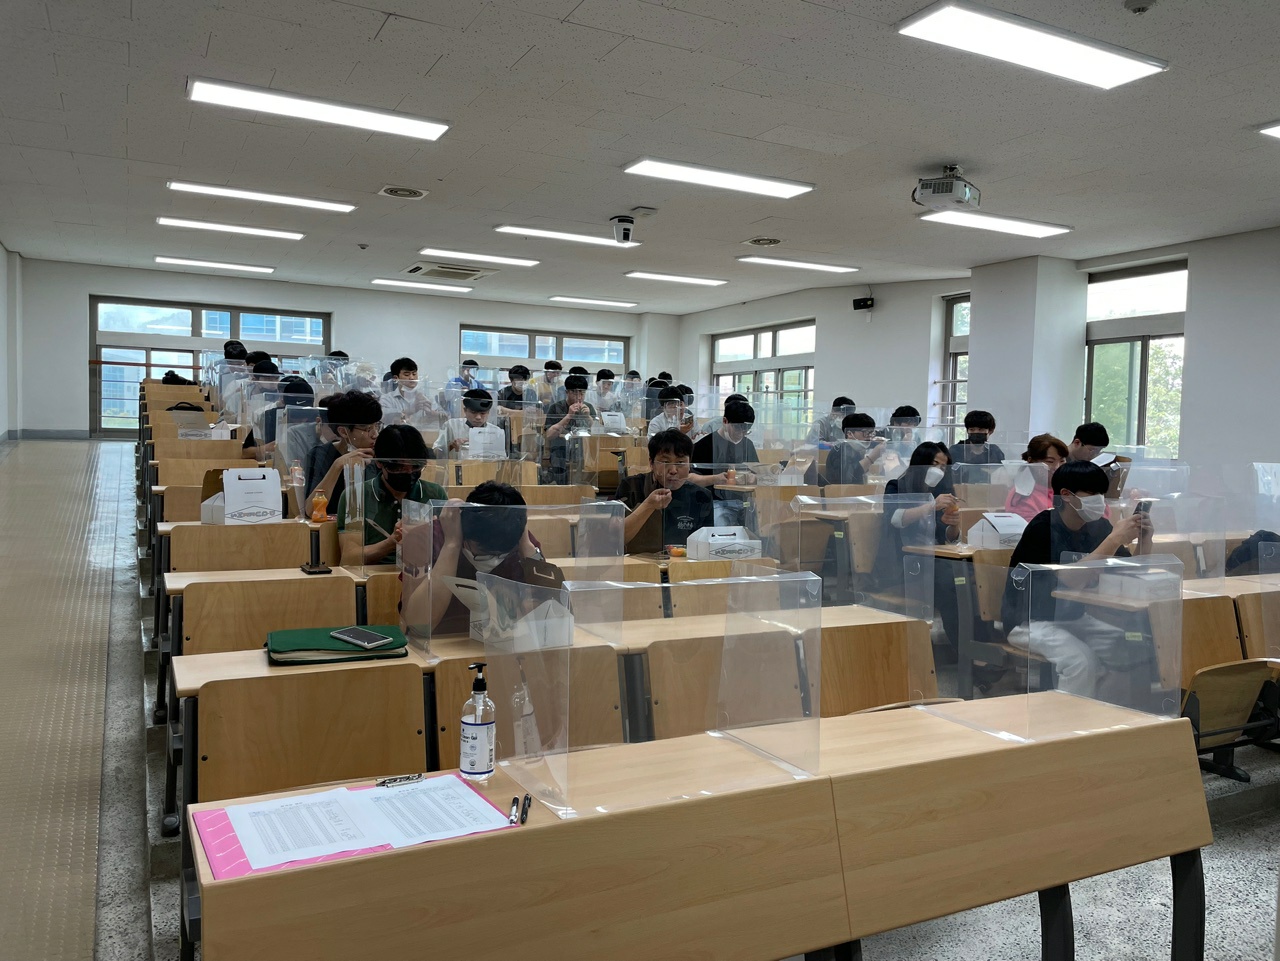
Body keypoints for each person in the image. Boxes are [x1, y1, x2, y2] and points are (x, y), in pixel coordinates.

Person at [1000, 460, 1154, 697]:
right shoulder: (1043, 528)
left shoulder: (1099, 527)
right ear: (1066, 495)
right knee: (1080, 661)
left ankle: (1112, 711)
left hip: (1073, 617)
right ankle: (1070, 719)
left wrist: (1145, 539)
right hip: (1029, 620)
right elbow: (1068, 580)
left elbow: (1130, 572)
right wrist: (1114, 539)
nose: (1099, 499)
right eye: (1091, 493)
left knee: (1130, 646)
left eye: (1101, 493)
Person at [423, 483, 556, 634]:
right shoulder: (432, 537)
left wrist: (526, 544)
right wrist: (452, 544)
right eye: (483, 552)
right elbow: (420, 624)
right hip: (445, 640)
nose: (494, 559)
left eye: (501, 554)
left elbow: (551, 617)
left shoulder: (516, 539)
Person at [873, 442, 962, 655]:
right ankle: (963, 651)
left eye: (943, 467)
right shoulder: (897, 486)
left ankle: (976, 645)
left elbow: (948, 539)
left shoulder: (941, 493)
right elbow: (896, 519)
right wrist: (931, 506)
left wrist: (954, 525)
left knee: (968, 583)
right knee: (950, 587)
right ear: (920, 463)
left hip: (934, 561)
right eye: (934, 464)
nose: (938, 470)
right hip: (904, 564)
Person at [336, 425, 447, 566]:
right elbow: (349, 558)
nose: (408, 473)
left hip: (422, 574)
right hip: (373, 576)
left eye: (415, 467)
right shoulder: (356, 496)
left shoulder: (434, 493)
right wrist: (392, 542)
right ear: (379, 463)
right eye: (399, 468)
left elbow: (446, 550)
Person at [614, 430, 714, 553]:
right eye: (665, 462)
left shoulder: (701, 496)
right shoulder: (631, 486)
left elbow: (706, 546)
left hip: (682, 563)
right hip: (638, 563)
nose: (673, 470)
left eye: (680, 462)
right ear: (651, 463)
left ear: (689, 464)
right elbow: (615, 539)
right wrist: (649, 505)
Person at [304, 388, 382, 512]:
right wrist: (337, 465)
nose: (375, 434)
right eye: (367, 429)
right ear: (343, 432)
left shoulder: (380, 455)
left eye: (377, 426)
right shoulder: (320, 455)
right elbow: (311, 511)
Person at [544, 374, 598, 482]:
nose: (579, 397)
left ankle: (584, 486)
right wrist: (568, 416)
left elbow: (597, 433)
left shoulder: (589, 407)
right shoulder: (555, 408)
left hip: (583, 449)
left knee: (590, 459)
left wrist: (588, 417)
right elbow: (549, 435)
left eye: (582, 393)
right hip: (561, 448)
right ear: (567, 392)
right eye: (575, 393)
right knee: (559, 459)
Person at [1004, 433, 1068, 521]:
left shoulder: (1062, 488)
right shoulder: (1023, 496)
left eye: (1062, 461)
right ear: (1032, 462)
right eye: (1050, 461)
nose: (1057, 467)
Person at [437, 388, 504, 457]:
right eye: (473, 412)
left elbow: (502, 458)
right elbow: (436, 452)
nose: (478, 417)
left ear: (488, 412)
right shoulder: (452, 425)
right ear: (465, 410)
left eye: (483, 413)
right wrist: (451, 446)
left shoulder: (496, 431)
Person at [824, 413, 887, 485]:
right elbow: (848, 481)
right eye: (866, 433)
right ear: (850, 434)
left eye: (871, 433)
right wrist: (872, 457)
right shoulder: (840, 452)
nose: (869, 438)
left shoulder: (856, 450)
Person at [691, 400, 757, 467]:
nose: (741, 434)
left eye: (745, 430)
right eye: (737, 428)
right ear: (725, 421)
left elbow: (755, 469)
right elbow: (694, 472)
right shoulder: (704, 445)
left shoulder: (748, 445)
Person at [948, 410, 1006, 482]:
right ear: (967, 431)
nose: (976, 432)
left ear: (990, 431)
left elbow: (1000, 477)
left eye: (980, 429)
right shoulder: (956, 451)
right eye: (972, 429)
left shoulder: (994, 452)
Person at [380, 357, 436, 425]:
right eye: (406, 374)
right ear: (395, 378)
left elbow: (442, 418)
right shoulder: (387, 399)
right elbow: (385, 418)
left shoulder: (426, 398)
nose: (412, 378)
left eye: (414, 374)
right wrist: (411, 410)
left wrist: (431, 414)